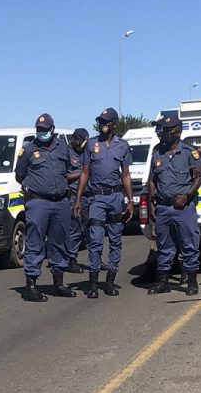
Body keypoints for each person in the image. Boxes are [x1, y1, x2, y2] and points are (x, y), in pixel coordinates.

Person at [15, 112, 78, 301]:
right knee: (35, 242)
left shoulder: (62, 148)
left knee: (59, 242)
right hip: (39, 202)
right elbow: (20, 175)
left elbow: (71, 169)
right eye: (38, 129)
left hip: (60, 202)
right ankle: (31, 285)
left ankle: (58, 283)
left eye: (44, 130)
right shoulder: (28, 150)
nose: (41, 132)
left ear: (52, 129)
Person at [73, 107, 134, 298]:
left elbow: (126, 175)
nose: (102, 125)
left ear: (113, 125)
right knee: (96, 240)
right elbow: (84, 173)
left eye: (105, 122)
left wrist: (130, 201)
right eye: (100, 122)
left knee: (115, 240)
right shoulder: (91, 145)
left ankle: (110, 282)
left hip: (115, 197)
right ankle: (93, 283)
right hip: (96, 198)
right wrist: (78, 200)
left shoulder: (122, 146)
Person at [145, 115, 201, 296]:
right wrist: (151, 202)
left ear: (176, 132)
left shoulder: (190, 152)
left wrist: (187, 196)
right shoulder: (157, 153)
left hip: (183, 207)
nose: (159, 133)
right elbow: (152, 180)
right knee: (164, 245)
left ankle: (191, 281)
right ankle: (163, 282)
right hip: (163, 207)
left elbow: (199, 176)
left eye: (163, 130)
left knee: (189, 244)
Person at [65, 127, 91, 272]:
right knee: (74, 230)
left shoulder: (88, 153)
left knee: (93, 230)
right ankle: (71, 259)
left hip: (89, 196)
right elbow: (64, 177)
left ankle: (95, 260)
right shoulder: (67, 154)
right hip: (74, 197)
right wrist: (83, 173)